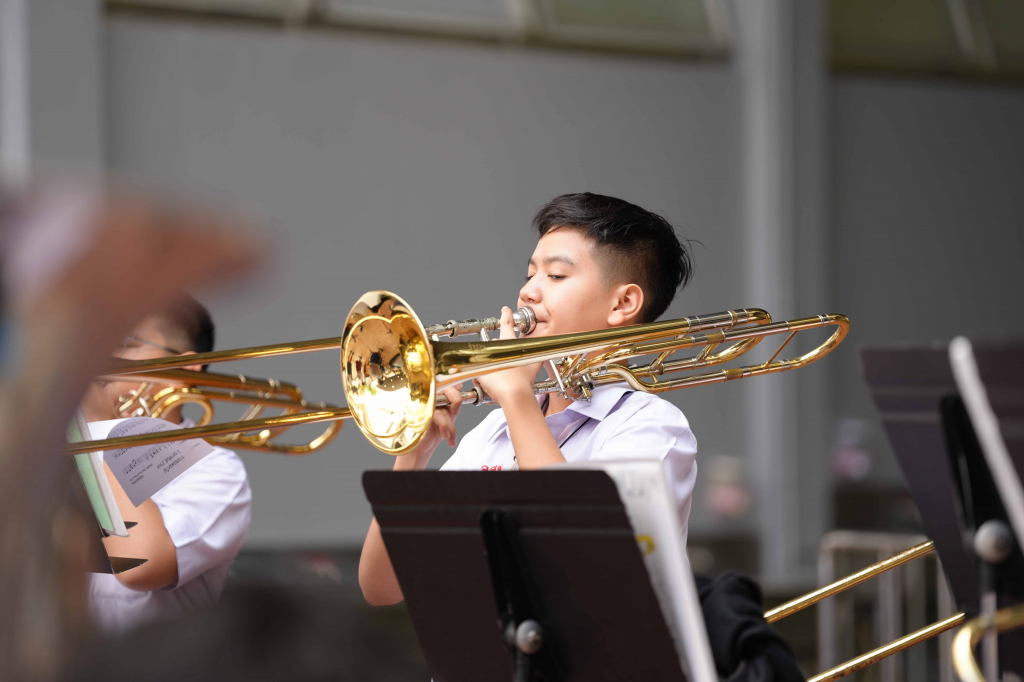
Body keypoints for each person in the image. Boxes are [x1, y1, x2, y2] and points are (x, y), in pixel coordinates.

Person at [359, 192, 697, 606]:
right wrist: (413, 455)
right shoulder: (494, 430)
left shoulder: (651, 427)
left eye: (556, 276)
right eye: (529, 274)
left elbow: (582, 564)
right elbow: (382, 588)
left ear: (623, 303)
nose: (528, 293)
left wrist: (517, 398)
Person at [80, 295, 252, 633]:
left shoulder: (217, 470)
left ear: (182, 369)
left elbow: (139, 564)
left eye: (120, 343)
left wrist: (92, 428)